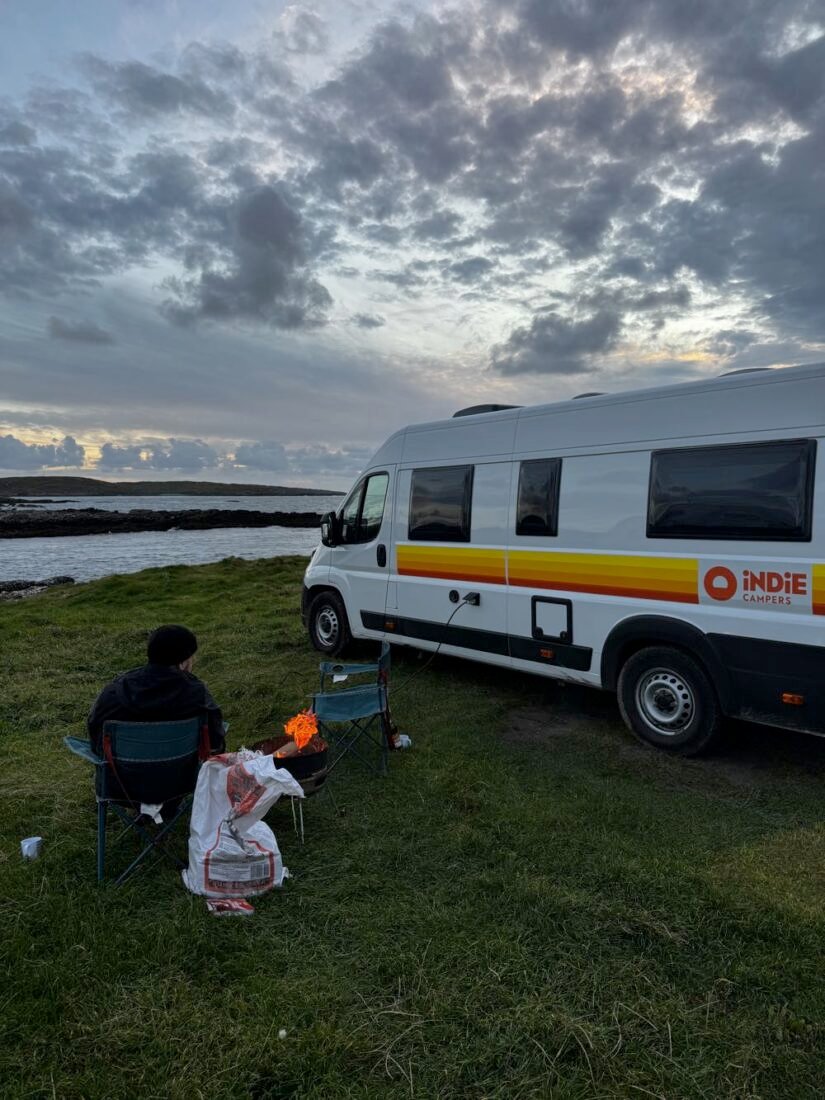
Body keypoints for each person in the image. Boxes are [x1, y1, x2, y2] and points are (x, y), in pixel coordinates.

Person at [87, 624, 226, 756]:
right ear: (183, 662)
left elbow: (96, 737)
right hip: (183, 777)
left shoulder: (115, 691)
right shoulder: (197, 693)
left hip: (122, 777)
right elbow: (215, 743)